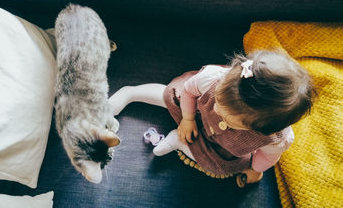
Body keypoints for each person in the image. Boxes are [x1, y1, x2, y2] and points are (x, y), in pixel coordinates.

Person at [109, 50, 315, 183]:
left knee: (221, 167)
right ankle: (131, 93)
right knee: (171, 96)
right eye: (220, 101)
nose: (217, 110)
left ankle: (180, 143)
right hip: (194, 108)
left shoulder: (275, 139)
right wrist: (188, 118)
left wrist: (256, 169)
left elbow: (268, 156)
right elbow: (189, 91)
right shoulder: (214, 79)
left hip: (221, 144)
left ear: (260, 129)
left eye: (230, 117)